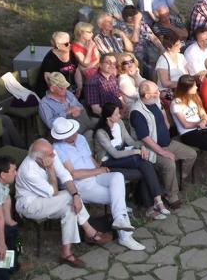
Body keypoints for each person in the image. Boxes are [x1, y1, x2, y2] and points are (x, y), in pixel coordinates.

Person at [15, 139, 113, 267]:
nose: (55, 156)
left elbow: (65, 175)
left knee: (70, 207)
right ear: (40, 159)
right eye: (51, 155)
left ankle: (66, 254)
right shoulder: (29, 171)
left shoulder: (49, 154)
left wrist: (76, 195)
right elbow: (54, 192)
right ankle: (90, 232)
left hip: (48, 199)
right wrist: (50, 170)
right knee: (69, 196)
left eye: (52, 152)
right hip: (30, 205)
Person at [51, 117, 144, 251]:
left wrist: (100, 170)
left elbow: (91, 160)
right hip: (80, 184)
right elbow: (73, 174)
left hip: (94, 174)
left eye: (74, 131)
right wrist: (98, 171)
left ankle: (119, 220)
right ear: (63, 137)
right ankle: (125, 236)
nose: (75, 134)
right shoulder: (58, 149)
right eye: (71, 134)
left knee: (117, 176)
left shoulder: (81, 139)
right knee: (116, 197)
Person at [94, 103, 170, 219]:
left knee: (144, 168)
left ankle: (153, 206)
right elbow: (114, 154)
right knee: (140, 160)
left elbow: (130, 141)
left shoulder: (119, 123)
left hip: (122, 158)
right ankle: (156, 203)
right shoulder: (101, 133)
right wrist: (136, 152)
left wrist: (141, 147)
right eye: (116, 114)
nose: (119, 116)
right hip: (108, 162)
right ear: (108, 117)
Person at [129, 81, 197, 209]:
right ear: (147, 95)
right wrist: (162, 152)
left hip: (168, 142)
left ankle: (181, 179)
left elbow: (163, 118)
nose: (159, 93)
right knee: (169, 163)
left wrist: (166, 125)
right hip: (151, 149)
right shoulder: (137, 112)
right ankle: (171, 196)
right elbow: (145, 138)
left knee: (191, 154)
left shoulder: (155, 102)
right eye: (156, 92)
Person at [120, 5, 164, 79]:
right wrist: (137, 23)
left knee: (158, 63)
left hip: (151, 53)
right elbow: (135, 39)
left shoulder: (143, 24)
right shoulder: (123, 27)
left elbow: (153, 37)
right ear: (129, 18)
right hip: (138, 55)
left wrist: (162, 48)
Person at [37, 31, 78, 96]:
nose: (70, 45)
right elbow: (48, 79)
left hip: (69, 88)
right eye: (66, 44)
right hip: (55, 91)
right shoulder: (50, 59)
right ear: (58, 45)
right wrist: (62, 94)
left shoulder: (71, 52)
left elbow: (77, 70)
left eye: (70, 42)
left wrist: (79, 86)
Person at [155, 33, 189, 100]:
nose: (180, 46)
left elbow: (186, 75)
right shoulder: (163, 60)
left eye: (180, 43)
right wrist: (182, 84)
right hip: (168, 91)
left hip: (181, 88)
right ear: (169, 48)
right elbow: (165, 83)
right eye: (177, 45)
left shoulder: (181, 56)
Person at [72, 22, 100, 94]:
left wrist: (92, 65)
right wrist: (89, 49)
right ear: (81, 33)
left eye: (92, 32)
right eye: (89, 32)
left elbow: (98, 57)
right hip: (88, 71)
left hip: (96, 67)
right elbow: (85, 64)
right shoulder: (75, 46)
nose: (92, 34)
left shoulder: (91, 42)